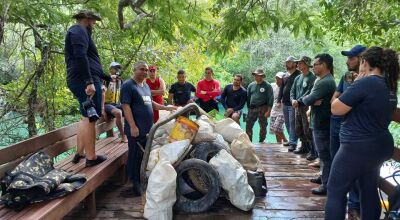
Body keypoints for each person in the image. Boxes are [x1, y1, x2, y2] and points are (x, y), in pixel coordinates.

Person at [326, 47, 399, 220]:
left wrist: (357, 81)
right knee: (368, 189)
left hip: (357, 147)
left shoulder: (365, 82)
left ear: (364, 62)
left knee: (335, 190)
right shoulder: (388, 85)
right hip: (379, 147)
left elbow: (335, 108)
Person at [120, 61, 177, 197]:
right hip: (135, 130)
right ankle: (134, 184)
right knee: (134, 155)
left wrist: (166, 107)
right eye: (142, 69)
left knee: (144, 155)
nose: (145, 72)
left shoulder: (145, 85)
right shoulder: (128, 86)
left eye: (146, 70)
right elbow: (126, 106)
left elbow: (150, 103)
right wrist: (133, 126)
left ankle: (141, 178)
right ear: (134, 69)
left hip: (147, 129)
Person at [65, 10, 113, 167]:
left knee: (86, 115)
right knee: (90, 117)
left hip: (87, 79)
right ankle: (91, 158)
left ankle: (80, 152)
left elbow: (90, 60)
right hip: (84, 81)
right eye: (93, 22)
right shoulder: (79, 30)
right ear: (86, 19)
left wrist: (106, 77)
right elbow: (80, 56)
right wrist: (89, 82)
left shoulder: (80, 32)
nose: (94, 25)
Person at [329, 45, 366, 218]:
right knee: (338, 165)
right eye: (348, 57)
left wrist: (342, 102)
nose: (348, 61)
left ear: (362, 59)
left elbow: (345, 103)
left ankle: (355, 204)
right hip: (340, 125)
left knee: (358, 170)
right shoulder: (345, 76)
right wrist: (342, 103)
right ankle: (351, 204)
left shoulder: (369, 80)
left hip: (358, 133)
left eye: (352, 58)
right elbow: (334, 100)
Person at [302, 54, 336, 195]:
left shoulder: (326, 82)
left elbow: (307, 99)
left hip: (323, 123)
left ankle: (326, 186)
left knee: (326, 155)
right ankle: (323, 177)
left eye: (315, 64)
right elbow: (309, 98)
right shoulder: (320, 80)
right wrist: (310, 100)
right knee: (322, 155)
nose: (313, 67)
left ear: (324, 65)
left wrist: (310, 100)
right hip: (318, 122)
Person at [290, 56, 317, 159]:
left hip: (306, 107)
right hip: (297, 107)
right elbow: (292, 90)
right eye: (298, 63)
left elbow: (310, 91)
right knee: (298, 128)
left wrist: (299, 100)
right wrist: (293, 100)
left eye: (300, 63)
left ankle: (312, 150)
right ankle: (303, 146)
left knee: (307, 129)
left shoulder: (312, 78)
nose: (298, 65)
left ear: (306, 64)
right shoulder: (298, 77)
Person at [278, 56, 301, 152]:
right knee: (287, 123)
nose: (287, 64)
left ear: (295, 63)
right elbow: (282, 88)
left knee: (292, 123)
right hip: (285, 102)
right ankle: (291, 140)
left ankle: (293, 143)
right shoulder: (285, 75)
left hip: (293, 103)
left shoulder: (299, 75)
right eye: (286, 62)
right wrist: (279, 99)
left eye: (289, 62)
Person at [246, 69, 274, 143]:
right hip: (252, 108)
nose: (256, 77)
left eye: (258, 75)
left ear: (262, 76)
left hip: (263, 108)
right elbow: (248, 97)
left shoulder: (267, 85)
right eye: (255, 75)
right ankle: (249, 142)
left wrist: (269, 111)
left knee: (263, 126)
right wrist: (249, 108)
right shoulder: (251, 85)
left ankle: (261, 141)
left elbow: (271, 98)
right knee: (248, 125)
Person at [102, 62, 127, 143]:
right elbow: (102, 93)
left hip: (116, 104)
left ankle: (129, 133)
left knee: (130, 109)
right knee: (118, 112)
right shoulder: (106, 79)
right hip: (106, 104)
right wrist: (102, 109)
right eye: (115, 68)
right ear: (110, 69)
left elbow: (123, 94)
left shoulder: (120, 81)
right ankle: (123, 136)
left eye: (118, 68)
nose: (117, 70)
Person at [270, 72, 288, 144]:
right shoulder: (272, 85)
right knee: (275, 130)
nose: (277, 81)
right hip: (274, 110)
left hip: (282, 111)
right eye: (276, 79)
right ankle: (279, 144)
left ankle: (286, 140)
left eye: (279, 79)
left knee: (276, 128)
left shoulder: (286, 87)